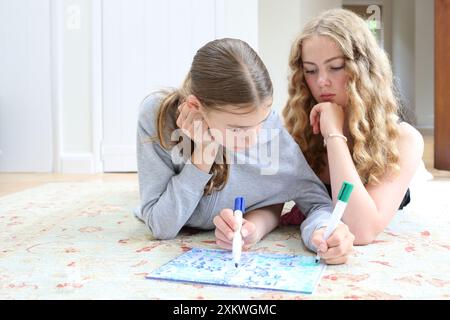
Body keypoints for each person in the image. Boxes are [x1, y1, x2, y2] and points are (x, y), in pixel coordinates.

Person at [136, 38, 354, 264]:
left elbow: (317, 203)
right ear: (195, 107)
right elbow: (161, 226)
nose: (253, 137)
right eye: (238, 129)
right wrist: (205, 151)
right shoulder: (157, 117)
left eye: (261, 120)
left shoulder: (270, 130)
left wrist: (321, 232)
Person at [282, 9, 424, 245]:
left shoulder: (403, 139)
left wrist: (334, 134)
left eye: (335, 67)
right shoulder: (297, 130)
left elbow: (361, 230)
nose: (321, 81)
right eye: (310, 70)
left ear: (363, 69)